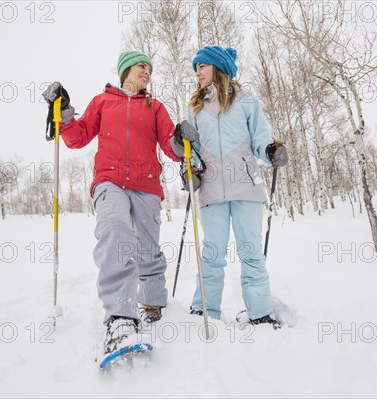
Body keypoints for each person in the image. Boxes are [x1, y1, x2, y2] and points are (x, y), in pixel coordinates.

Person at [42, 50, 183, 356]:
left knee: (147, 248)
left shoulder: (155, 106)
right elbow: (78, 137)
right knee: (116, 233)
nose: (147, 72)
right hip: (109, 181)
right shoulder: (103, 102)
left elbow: (173, 147)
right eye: (141, 66)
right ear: (126, 71)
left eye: (149, 68)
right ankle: (120, 318)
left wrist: (183, 140)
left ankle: (153, 300)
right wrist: (64, 112)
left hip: (146, 185)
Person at [170, 46, 289, 328]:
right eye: (195, 68)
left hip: (246, 187)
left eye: (202, 66)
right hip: (211, 190)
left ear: (218, 68)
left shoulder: (247, 101)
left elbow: (261, 139)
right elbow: (193, 149)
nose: (197, 72)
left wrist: (271, 151)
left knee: (250, 251)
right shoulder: (195, 107)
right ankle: (204, 310)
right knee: (212, 252)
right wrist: (189, 163)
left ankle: (260, 311)